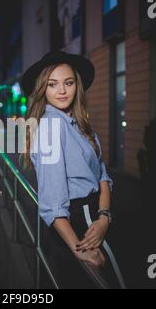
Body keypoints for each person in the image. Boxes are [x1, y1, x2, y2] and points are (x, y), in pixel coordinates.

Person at [21, 51, 114, 269]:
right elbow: (53, 204)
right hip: (76, 224)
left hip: (95, 217)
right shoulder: (50, 127)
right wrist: (79, 249)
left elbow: (102, 176)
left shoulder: (80, 125)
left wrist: (104, 216)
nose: (62, 91)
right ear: (43, 89)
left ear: (77, 85)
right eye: (52, 84)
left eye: (68, 83)